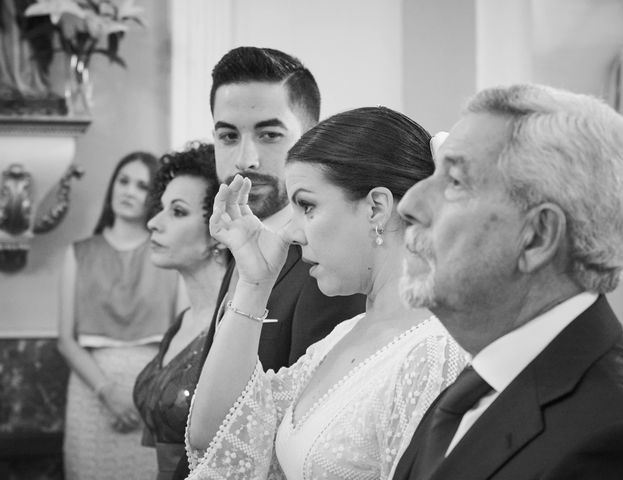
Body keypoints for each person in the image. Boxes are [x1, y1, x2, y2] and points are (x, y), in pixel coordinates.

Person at [185, 107, 468, 479]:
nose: (293, 233)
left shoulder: (435, 354)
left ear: (376, 208)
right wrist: (255, 286)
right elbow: (217, 439)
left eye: (307, 206)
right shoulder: (343, 336)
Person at [393, 84, 623, 480]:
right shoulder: (482, 379)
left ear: (537, 236)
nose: (408, 204)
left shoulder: (617, 439)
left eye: (455, 182)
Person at [172, 46, 366, 479]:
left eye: (269, 135)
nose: (245, 159)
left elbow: (310, 441)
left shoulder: (329, 269)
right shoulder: (240, 243)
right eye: (227, 136)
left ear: (311, 137)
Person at [58, 151, 181, 480]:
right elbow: (66, 341)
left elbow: (184, 339)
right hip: (92, 393)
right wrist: (106, 391)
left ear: (154, 198)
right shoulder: (79, 253)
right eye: (123, 181)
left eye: (141, 185)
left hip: (150, 398)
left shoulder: (167, 254)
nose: (128, 190)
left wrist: (143, 398)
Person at [133, 143, 229, 480]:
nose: (153, 223)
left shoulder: (233, 327)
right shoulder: (182, 322)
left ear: (218, 229)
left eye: (177, 211)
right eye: (160, 209)